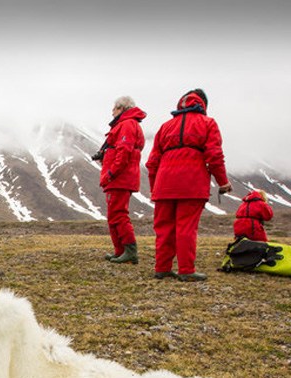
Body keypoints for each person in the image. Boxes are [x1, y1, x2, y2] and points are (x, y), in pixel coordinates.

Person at [145, 88, 233, 281]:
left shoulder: (165, 127)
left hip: (164, 184)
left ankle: (162, 268)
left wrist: (155, 188)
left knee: (164, 228)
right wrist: (223, 182)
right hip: (192, 183)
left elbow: (152, 163)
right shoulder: (208, 123)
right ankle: (186, 270)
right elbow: (214, 156)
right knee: (186, 227)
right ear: (203, 104)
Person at [97, 96, 147, 264]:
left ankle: (130, 251)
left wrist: (111, 173)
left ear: (121, 109)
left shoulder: (127, 125)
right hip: (118, 178)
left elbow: (124, 152)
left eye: (114, 108)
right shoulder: (126, 125)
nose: (112, 111)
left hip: (119, 178)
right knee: (114, 215)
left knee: (118, 214)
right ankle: (120, 251)